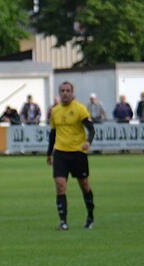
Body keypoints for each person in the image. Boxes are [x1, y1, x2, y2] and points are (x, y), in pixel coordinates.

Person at [47, 81, 96, 230]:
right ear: (59, 93)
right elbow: (53, 134)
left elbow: (91, 129)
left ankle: (90, 217)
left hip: (78, 153)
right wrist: (49, 153)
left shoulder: (80, 109)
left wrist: (88, 142)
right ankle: (63, 222)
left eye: (68, 90)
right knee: (60, 185)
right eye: (62, 91)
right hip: (61, 153)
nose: (65, 93)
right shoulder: (55, 111)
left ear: (72, 92)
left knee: (84, 185)